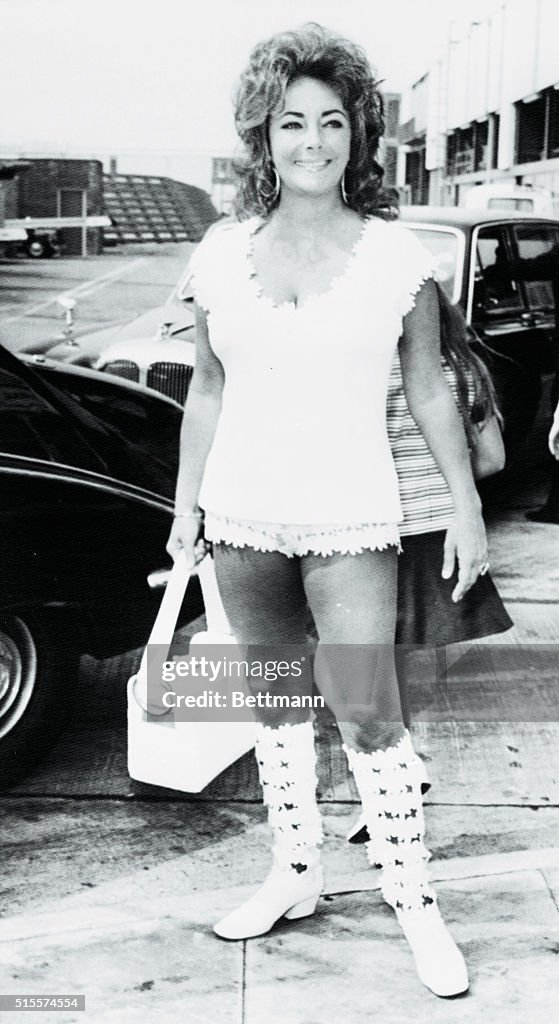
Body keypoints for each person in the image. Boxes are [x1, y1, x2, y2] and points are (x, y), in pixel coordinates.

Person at [167, 23, 487, 999]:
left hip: (350, 517)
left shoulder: (395, 256)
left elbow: (431, 385)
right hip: (242, 520)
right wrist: (187, 509)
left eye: (331, 121)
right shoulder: (221, 253)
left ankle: (412, 900)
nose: (311, 140)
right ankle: (294, 875)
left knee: (368, 715)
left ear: (358, 136)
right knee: (276, 707)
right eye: (291, 121)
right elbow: (208, 389)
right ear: (263, 136)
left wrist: (467, 512)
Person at [346, 284, 513, 843]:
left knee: (364, 668)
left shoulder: (366, 372)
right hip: (439, 534)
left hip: (373, 534)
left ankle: (392, 784)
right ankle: (399, 771)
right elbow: (493, 459)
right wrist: (445, 488)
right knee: (391, 664)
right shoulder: (467, 372)